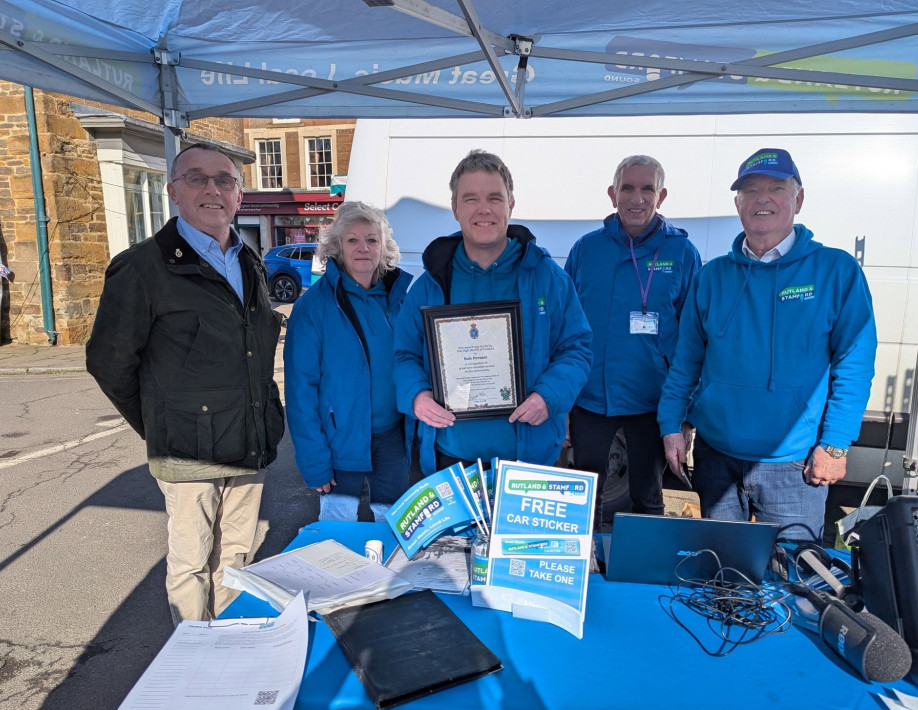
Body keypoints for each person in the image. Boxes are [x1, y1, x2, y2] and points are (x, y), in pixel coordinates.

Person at [86, 143, 284, 623]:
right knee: (192, 565)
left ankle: (231, 650)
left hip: (248, 440)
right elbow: (109, 362)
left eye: (225, 180)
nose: (212, 189)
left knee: (236, 558)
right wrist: (163, 422)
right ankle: (192, 667)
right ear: (174, 191)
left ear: (239, 195)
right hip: (188, 452)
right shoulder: (142, 267)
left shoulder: (248, 259)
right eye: (197, 178)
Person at [658, 147, 877, 543]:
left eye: (777, 187)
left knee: (794, 579)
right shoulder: (712, 277)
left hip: (794, 465)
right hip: (716, 456)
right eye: (750, 190)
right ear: (738, 204)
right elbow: (686, 359)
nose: (763, 198)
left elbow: (854, 362)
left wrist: (837, 444)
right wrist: (672, 423)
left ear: (799, 198)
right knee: (721, 579)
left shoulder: (836, 271)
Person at [394, 149, 592, 475]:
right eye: (470, 198)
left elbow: (578, 348)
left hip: (529, 461)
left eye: (495, 198)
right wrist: (417, 395)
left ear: (510, 205)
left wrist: (549, 396)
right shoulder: (431, 283)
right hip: (450, 461)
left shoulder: (547, 277)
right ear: (455, 208)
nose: (484, 209)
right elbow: (405, 354)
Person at [565, 155, 701, 529]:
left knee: (648, 498)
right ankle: (584, 575)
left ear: (662, 195)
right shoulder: (586, 250)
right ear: (612, 194)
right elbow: (562, 328)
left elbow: (695, 339)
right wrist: (560, 401)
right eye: (628, 188)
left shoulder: (682, 253)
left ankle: (643, 576)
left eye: (647, 189)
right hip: (590, 400)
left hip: (652, 404)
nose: (636, 198)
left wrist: (686, 414)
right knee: (584, 500)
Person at [284, 201, 413, 522]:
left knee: (395, 532)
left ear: (384, 246)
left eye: (371, 239)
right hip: (338, 441)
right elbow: (301, 391)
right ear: (337, 246)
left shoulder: (400, 298)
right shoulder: (313, 306)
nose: (363, 248)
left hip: (392, 439)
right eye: (352, 240)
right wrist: (314, 460)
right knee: (338, 542)